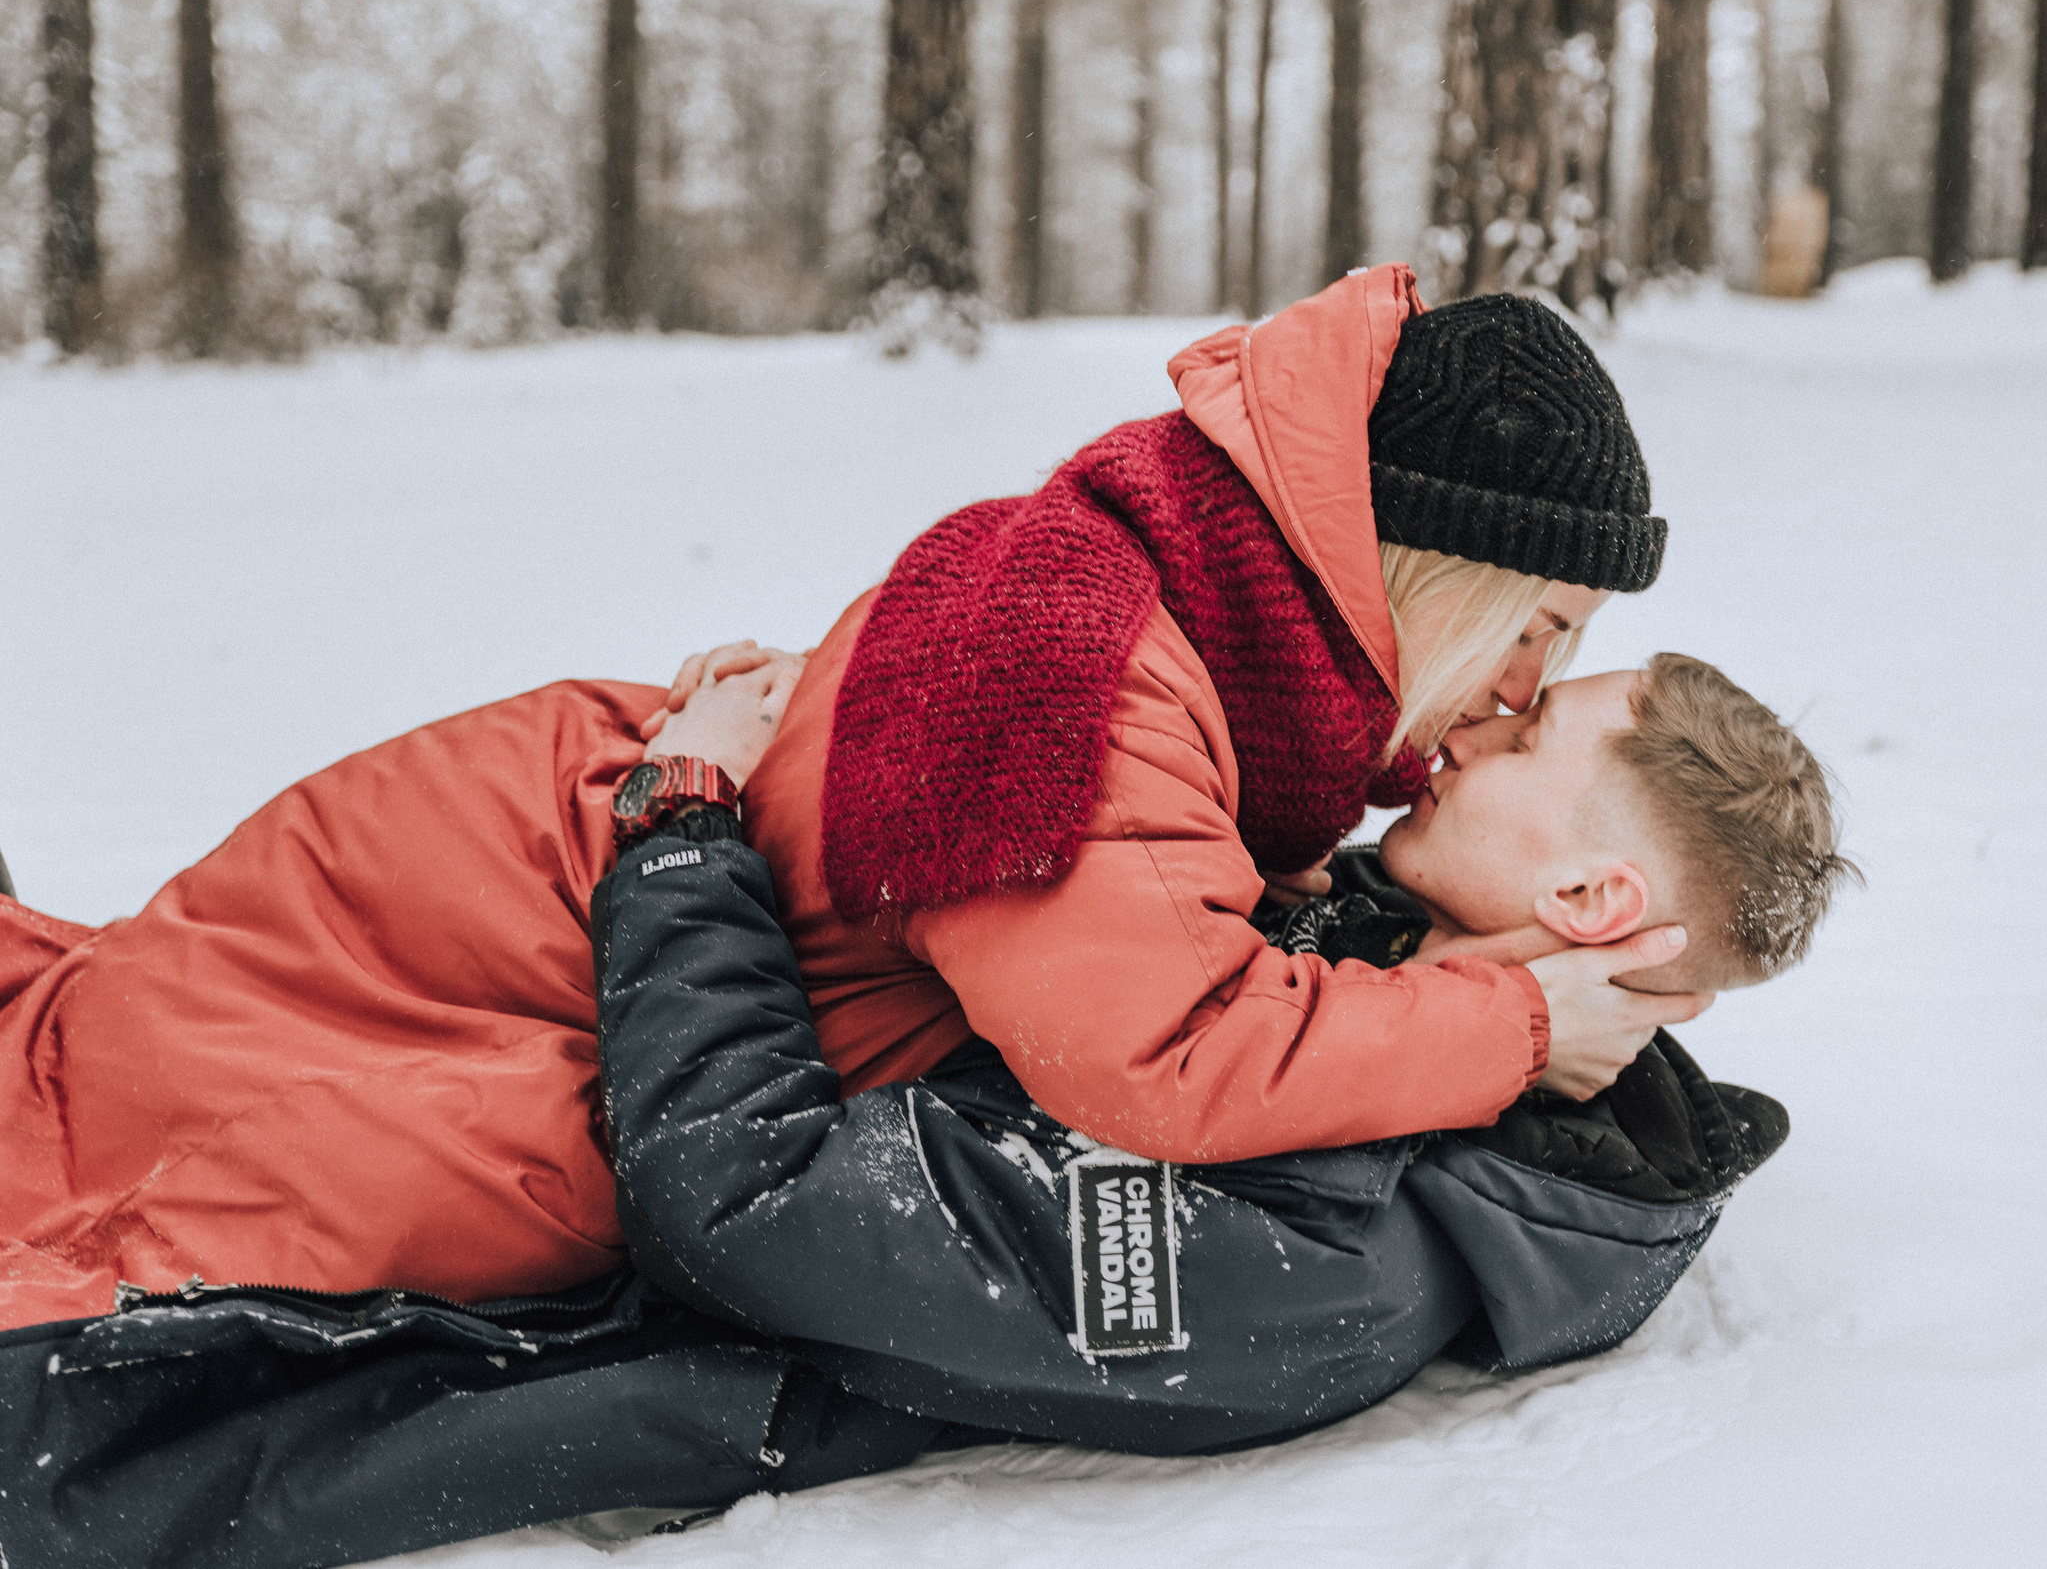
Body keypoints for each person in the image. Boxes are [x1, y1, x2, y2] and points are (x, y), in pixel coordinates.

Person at [0, 267, 1701, 1328]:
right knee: (425, 1180)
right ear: (1433, 575)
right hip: (474, 927)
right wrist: (1503, 1026)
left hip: (551, 844)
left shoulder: (1175, 591)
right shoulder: (1089, 672)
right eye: (1535, 629)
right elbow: (1166, 1051)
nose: (1525, 689)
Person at [0, 652, 1848, 1569]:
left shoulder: (1322, 1246)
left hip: (330, 1336)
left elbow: (753, 1196)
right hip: (391, 1098)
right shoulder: (1389, 979)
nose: (1469, 729)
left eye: (1526, 743)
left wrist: (684, 831)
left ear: (1602, 909)